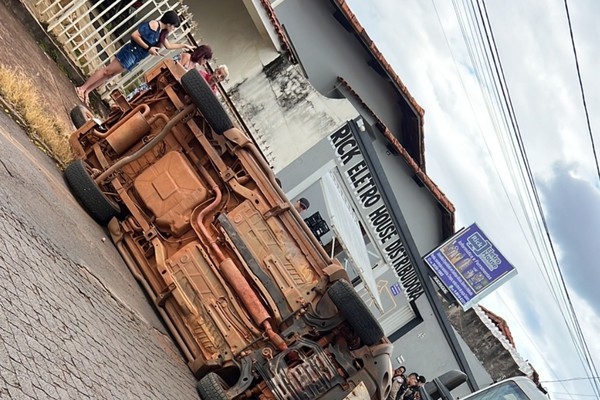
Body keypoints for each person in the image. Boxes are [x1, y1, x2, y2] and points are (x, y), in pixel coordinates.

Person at [76, 10, 192, 104]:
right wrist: (148, 48)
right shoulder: (154, 24)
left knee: (110, 75)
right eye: (174, 27)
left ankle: (88, 91)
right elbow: (135, 35)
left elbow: (169, 46)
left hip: (135, 57)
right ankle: (82, 88)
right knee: (107, 71)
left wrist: (184, 45)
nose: (174, 29)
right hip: (130, 52)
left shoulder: (161, 32)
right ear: (169, 23)